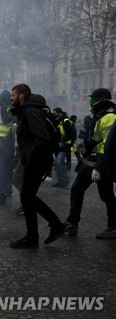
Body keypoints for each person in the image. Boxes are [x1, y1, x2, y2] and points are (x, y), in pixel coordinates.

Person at [8, 83, 66, 249]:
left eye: (13, 95)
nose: (11, 98)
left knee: (27, 197)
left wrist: (29, 157)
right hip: (36, 160)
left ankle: (43, 232)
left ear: (21, 95)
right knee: (28, 197)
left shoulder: (30, 111)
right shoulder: (27, 110)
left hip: (37, 161)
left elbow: (42, 138)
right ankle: (40, 233)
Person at [65, 88, 116, 239]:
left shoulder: (111, 118)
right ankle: (72, 223)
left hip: (101, 163)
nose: (91, 103)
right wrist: (78, 148)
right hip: (89, 161)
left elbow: (108, 146)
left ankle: (113, 226)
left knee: (106, 195)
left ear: (101, 100)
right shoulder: (94, 117)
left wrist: (99, 168)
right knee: (76, 191)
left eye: (93, 99)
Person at [51, 107, 73, 188]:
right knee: (57, 164)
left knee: (59, 162)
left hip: (64, 146)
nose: (53, 115)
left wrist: (62, 141)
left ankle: (65, 180)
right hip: (58, 146)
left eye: (55, 113)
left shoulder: (65, 121)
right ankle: (60, 181)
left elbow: (70, 134)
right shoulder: (56, 121)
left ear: (59, 113)